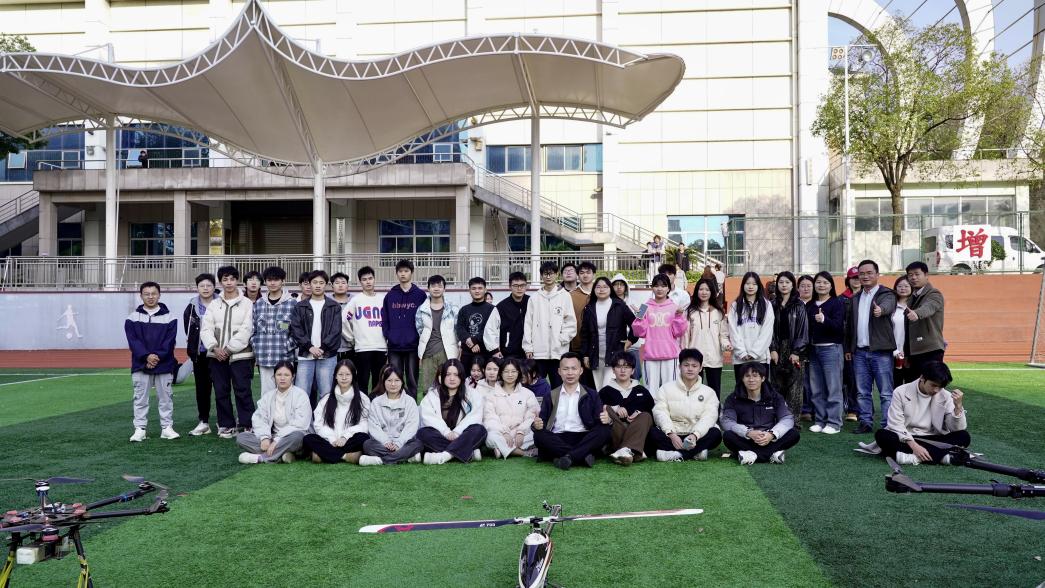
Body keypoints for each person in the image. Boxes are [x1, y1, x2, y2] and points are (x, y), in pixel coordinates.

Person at [869, 361, 968, 465]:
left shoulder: (945, 395)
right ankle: (942, 457)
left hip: (932, 438)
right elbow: (895, 424)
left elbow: (955, 429)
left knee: (963, 436)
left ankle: (909, 458)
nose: (936, 390)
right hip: (906, 437)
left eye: (940, 387)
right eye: (933, 385)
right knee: (882, 435)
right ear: (922, 378)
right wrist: (914, 446)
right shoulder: (901, 391)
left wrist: (958, 407)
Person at [200, 265, 255, 439]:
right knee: (221, 391)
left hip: (240, 355)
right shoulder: (214, 304)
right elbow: (206, 328)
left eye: (232, 279)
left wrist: (229, 349)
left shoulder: (248, 303)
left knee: (243, 390)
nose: (229, 282)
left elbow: (247, 329)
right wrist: (214, 347)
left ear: (237, 280)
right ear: (220, 282)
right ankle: (226, 425)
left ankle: (247, 424)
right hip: (216, 356)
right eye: (225, 279)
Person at [531, 353, 612, 470]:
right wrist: (536, 425)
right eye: (565, 369)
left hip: (583, 437)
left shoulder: (592, 394)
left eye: (574, 368)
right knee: (539, 435)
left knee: (604, 430)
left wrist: (606, 420)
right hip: (558, 437)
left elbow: (598, 422)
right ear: (559, 371)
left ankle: (566, 457)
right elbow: (541, 422)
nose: (570, 373)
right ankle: (582, 456)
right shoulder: (550, 395)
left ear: (581, 371)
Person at [846, 259, 897, 434]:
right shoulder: (855, 298)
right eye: (862, 274)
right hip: (859, 352)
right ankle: (865, 422)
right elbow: (849, 326)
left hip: (881, 352)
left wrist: (880, 310)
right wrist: (848, 348)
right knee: (862, 392)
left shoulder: (886, 294)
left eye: (869, 273)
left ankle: (888, 425)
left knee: (885, 392)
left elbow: (888, 306)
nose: (865, 276)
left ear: (877, 274)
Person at [125, 281, 179, 442]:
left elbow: (169, 342)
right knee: (140, 398)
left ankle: (167, 428)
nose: (150, 297)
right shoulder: (132, 318)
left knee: (166, 398)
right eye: (146, 294)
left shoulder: (170, 317)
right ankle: (140, 429)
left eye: (153, 293)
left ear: (159, 295)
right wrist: (146, 356)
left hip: (164, 364)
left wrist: (155, 357)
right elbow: (133, 342)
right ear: (141, 296)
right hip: (140, 364)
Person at [721, 362, 800, 464]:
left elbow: (787, 418)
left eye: (755, 376)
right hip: (746, 438)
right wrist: (748, 433)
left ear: (763, 378)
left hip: (769, 438)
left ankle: (751, 455)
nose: (751, 379)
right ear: (742, 379)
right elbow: (727, 421)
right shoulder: (733, 398)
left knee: (794, 433)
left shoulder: (775, 397)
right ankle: (771, 454)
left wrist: (772, 434)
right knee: (728, 436)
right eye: (747, 376)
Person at [650, 349, 722, 461]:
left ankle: (674, 454)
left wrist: (695, 435)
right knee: (652, 433)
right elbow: (660, 412)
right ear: (679, 367)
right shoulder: (665, 388)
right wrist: (671, 434)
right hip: (673, 434)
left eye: (694, 366)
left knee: (716, 434)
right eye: (686, 365)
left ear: (700, 368)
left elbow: (709, 417)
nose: (690, 369)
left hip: (696, 436)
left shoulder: (709, 392)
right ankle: (696, 452)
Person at [237, 361, 310, 464]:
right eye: (279, 375)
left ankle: (262, 457)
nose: (282, 378)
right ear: (274, 377)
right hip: (272, 436)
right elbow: (259, 419)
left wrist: (277, 440)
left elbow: (300, 424)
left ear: (292, 377)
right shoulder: (268, 396)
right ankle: (282, 454)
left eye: (286, 375)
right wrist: (264, 438)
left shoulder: (301, 395)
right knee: (242, 437)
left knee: (297, 437)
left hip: (290, 436)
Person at [418, 359, 488, 464]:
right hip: (441, 435)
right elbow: (429, 417)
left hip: (462, 435)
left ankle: (444, 456)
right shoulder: (432, 395)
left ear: (461, 376)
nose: (452, 378)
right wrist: (446, 432)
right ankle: (467, 452)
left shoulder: (472, 394)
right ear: (443, 376)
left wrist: (457, 432)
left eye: (456, 375)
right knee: (422, 433)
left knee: (479, 430)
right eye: (448, 374)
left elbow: (475, 416)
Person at [302, 359, 371, 464]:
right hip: (330, 441)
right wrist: (332, 439)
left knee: (363, 437)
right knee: (308, 438)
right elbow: (319, 424)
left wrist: (345, 437)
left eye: (347, 374)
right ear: (335, 376)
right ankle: (345, 456)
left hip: (349, 441)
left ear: (353, 376)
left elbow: (364, 424)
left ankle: (323, 455)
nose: (344, 378)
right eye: (340, 374)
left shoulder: (363, 399)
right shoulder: (326, 399)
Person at [290, 270, 342, 407]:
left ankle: (325, 420)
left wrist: (323, 348)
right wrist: (310, 347)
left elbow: (335, 330)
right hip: (305, 355)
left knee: (326, 393)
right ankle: (302, 420)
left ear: (326, 285)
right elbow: (296, 329)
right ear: (309, 284)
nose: (318, 285)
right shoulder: (300, 306)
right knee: (301, 393)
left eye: (321, 283)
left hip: (327, 355)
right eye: (314, 282)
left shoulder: (334, 306)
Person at [523, 261, 577, 388]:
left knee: (558, 386)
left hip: (559, 352)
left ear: (557, 274)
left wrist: (561, 339)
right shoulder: (534, 298)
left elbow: (570, 321)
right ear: (541, 275)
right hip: (538, 352)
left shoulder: (565, 296)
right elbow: (528, 324)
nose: (548, 276)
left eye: (551, 273)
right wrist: (528, 347)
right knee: (536, 386)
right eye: (545, 274)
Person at [632, 274, 687, 392]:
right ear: (652, 288)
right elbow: (639, 332)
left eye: (663, 286)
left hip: (670, 355)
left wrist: (678, 316)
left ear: (668, 288)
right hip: (650, 355)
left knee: (671, 390)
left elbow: (678, 332)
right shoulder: (644, 307)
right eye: (656, 285)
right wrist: (639, 318)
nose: (659, 289)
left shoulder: (674, 307)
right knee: (651, 390)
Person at [580, 276, 638, 390]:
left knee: (608, 387)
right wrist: (585, 354)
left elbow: (635, 324)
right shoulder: (589, 308)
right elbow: (585, 334)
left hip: (614, 355)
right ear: (594, 289)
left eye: (605, 287)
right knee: (599, 389)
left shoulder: (619, 305)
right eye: (598, 287)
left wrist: (631, 340)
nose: (601, 289)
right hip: (595, 356)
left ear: (610, 289)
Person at [806, 271, 845, 434]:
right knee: (816, 388)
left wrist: (824, 320)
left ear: (831, 286)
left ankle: (834, 423)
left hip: (831, 349)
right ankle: (820, 421)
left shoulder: (837, 303)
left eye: (825, 282)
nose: (821, 285)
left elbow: (839, 327)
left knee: (833, 387)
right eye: (818, 282)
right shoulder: (810, 305)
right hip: (814, 350)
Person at [360, 365, 423, 465]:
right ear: (384, 382)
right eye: (389, 380)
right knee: (367, 445)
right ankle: (406, 458)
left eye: (397, 380)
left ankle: (379, 460)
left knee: (417, 444)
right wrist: (386, 442)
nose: (393, 384)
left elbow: (411, 426)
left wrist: (399, 443)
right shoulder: (376, 402)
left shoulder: (410, 401)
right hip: (383, 444)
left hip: (403, 442)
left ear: (402, 382)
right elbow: (374, 426)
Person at [599, 351, 654, 465]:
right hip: (616, 431)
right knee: (606, 408)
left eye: (627, 367)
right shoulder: (604, 392)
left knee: (646, 415)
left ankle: (625, 451)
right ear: (613, 370)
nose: (622, 370)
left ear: (633, 370)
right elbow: (599, 415)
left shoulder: (642, 391)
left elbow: (651, 414)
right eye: (619, 367)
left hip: (638, 432)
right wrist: (614, 409)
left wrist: (638, 413)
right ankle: (635, 451)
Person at [382, 259, 427, 397]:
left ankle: (412, 405)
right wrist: (389, 335)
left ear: (411, 273)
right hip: (394, 346)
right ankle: (397, 405)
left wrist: (419, 338)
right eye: (400, 271)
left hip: (413, 345)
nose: (403, 274)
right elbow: (385, 318)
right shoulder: (390, 295)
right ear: (396, 273)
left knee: (412, 380)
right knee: (395, 379)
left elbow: (425, 319)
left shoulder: (420, 295)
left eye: (406, 271)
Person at [770, 271, 808, 430]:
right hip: (777, 349)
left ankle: (793, 422)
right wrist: (772, 349)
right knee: (777, 385)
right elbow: (769, 329)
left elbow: (803, 330)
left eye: (787, 282)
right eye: (781, 282)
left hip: (794, 349)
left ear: (793, 285)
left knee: (795, 387)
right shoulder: (772, 304)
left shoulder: (799, 305)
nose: (784, 285)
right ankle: (778, 420)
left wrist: (797, 351)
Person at [683, 277, 731, 398]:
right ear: (697, 291)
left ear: (712, 292)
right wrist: (686, 354)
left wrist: (726, 345)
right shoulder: (689, 312)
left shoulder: (719, 312)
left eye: (707, 290)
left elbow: (723, 335)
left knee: (714, 392)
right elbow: (686, 336)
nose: (704, 292)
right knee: (693, 392)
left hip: (714, 358)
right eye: (701, 289)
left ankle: (715, 410)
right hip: (694, 359)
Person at [483, 357, 539, 459]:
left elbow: (531, 416)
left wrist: (521, 431)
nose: (510, 375)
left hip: (521, 434)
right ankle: (522, 453)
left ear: (518, 373)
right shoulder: (491, 395)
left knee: (537, 436)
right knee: (489, 437)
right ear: (501, 373)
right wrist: (503, 432)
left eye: (513, 371)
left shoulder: (527, 394)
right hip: (500, 433)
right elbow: (489, 417)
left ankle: (501, 449)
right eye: (506, 371)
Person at [252, 266, 296, 395]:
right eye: (269, 280)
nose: (272, 283)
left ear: (283, 281)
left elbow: (297, 332)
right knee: (267, 394)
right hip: (264, 357)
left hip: (285, 357)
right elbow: (253, 330)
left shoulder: (292, 304)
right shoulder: (259, 304)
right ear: (265, 282)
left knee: (287, 393)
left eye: (276, 280)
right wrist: (257, 346)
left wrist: (286, 346)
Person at [415, 274, 459, 401]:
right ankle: (428, 411)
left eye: (439, 286)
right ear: (428, 288)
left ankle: (448, 411)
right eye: (433, 286)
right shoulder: (422, 309)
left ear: (444, 288)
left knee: (448, 385)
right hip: (428, 353)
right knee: (427, 388)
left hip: (448, 352)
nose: (436, 288)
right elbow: (420, 329)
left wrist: (459, 349)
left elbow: (457, 330)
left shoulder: (453, 308)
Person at [345, 266, 386, 395]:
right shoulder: (356, 301)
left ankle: (375, 405)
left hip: (381, 347)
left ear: (374, 279)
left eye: (370, 278)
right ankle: (362, 405)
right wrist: (351, 338)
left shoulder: (383, 299)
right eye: (364, 279)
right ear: (360, 282)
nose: (368, 282)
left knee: (378, 382)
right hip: (363, 347)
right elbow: (344, 320)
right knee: (362, 381)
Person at [184, 272, 216, 436]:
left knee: (221, 389)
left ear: (214, 287)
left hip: (218, 354)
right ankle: (203, 421)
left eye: (209, 285)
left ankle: (224, 421)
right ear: (197, 288)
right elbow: (188, 330)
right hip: (200, 354)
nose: (205, 288)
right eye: (202, 285)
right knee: (202, 390)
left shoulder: (221, 303)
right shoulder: (191, 307)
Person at [728, 271, 774, 380]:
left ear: (758, 286)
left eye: (754, 284)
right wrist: (742, 352)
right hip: (740, 359)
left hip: (760, 358)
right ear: (743, 285)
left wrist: (754, 353)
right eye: (747, 283)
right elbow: (733, 331)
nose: (750, 286)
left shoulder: (766, 305)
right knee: (742, 389)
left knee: (760, 389)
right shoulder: (735, 305)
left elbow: (767, 332)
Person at [904, 261, 946, 376]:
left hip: (930, 350)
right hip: (913, 352)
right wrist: (907, 353)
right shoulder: (911, 297)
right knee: (913, 384)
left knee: (930, 383)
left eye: (917, 274)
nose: (913, 277)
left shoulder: (934, 293)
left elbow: (929, 307)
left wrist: (917, 313)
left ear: (926, 275)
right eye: (910, 275)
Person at [484, 271, 530, 361]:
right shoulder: (501, 307)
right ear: (510, 286)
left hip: (529, 353)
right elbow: (490, 329)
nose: (519, 288)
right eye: (515, 285)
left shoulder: (532, 303)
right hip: (509, 353)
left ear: (526, 286)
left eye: (522, 285)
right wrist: (494, 350)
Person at [457, 276, 496, 370]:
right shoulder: (464, 309)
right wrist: (470, 342)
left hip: (486, 352)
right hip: (467, 353)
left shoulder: (492, 309)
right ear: (469, 290)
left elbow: (490, 329)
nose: (477, 291)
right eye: (473, 288)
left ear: (485, 290)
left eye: (480, 288)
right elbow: (460, 328)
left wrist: (474, 340)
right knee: (466, 377)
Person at [610, 273, 643, 382]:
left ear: (626, 287)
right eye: (616, 284)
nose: (619, 287)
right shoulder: (608, 303)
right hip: (615, 346)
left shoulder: (636, 301)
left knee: (635, 374)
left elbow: (643, 321)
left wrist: (639, 314)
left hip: (633, 345)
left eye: (621, 284)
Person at [841, 266, 861, 422]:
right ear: (848, 280)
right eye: (853, 278)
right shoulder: (842, 299)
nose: (857, 280)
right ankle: (852, 409)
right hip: (849, 346)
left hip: (866, 344)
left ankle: (866, 409)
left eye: (859, 277)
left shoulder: (868, 296)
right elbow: (843, 326)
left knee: (865, 380)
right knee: (850, 379)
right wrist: (847, 347)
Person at [796, 273, 816, 421]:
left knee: (815, 381)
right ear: (797, 288)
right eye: (802, 286)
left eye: (809, 286)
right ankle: (805, 409)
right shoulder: (795, 305)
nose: (806, 288)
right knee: (803, 381)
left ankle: (817, 409)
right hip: (799, 349)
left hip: (816, 348)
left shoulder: (817, 304)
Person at [891, 275, 916, 386]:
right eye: (900, 286)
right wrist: (895, 351)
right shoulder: (891, 307)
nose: (903, 288)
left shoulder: (916, 306)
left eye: (906, 286)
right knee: (895, 386)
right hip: (893, 353)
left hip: (912, 354)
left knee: (912, 385)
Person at [569, 261, 597, 356]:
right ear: (577, 276)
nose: (585, 275)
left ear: (594, 275)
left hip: (599, 344)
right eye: (582, 273)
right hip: (577, 344)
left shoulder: (601, 293)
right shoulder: (570, 295)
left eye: (588, 272)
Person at [329, 272, 353, 362]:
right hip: (330, 349)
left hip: (352, 348)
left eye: (343, 283)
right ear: (332, 285)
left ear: (347, 285)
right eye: (337, 283)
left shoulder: (355, 302)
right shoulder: (326, 302)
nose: (340, 285)